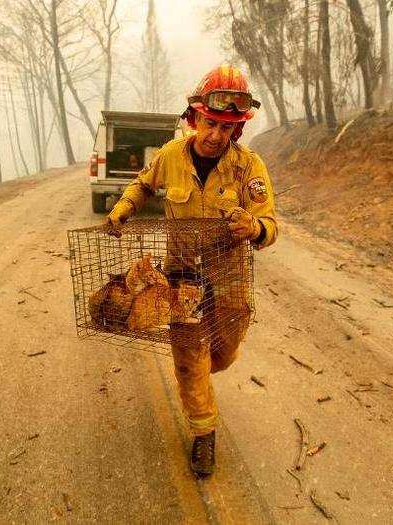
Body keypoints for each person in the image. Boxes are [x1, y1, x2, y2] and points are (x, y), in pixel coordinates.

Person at [107, 65, 278, 476]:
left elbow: (271, 226)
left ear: (236, 130)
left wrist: (254, 227)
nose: (216, 134)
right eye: (209, 122)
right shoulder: (170, 156)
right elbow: (143, 184)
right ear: (194, 118)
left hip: (231, 278)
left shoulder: (247, 167)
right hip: (182, 275)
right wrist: (124, 207)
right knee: (189, 354)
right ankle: (204, 432)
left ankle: (200, 369)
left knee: (224, 353)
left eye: (226, 127)